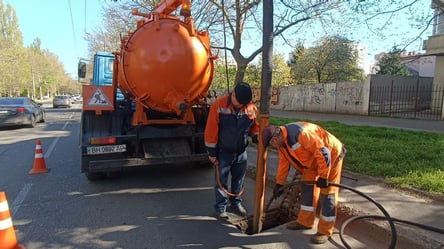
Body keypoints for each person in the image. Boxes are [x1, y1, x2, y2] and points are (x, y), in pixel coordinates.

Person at [262, 122, 346, 244]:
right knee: (307, 187)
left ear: (275, 139)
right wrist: (279, 183)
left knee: (328, 194)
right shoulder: (283, 144)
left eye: (271, 144)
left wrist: (323, 177)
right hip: (312, 163)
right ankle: (305, 222)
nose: (273, 146)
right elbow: (283, 164)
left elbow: (323, 152)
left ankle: (325, 231)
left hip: (331, 157)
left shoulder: (301, 133)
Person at [204, 82, 260, 219]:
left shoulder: (251, 108)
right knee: (221, 181)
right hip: (223, 152)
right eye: (239, 102)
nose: (241, 106)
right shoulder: (219, 105)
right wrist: (212, 153)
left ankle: (235, 203)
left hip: (241, 152)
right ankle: (220, 207)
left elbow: (254, 126)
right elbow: (211, 130)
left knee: (239, 179)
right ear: (233, 94)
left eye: (243, 104)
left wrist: (256, 135)